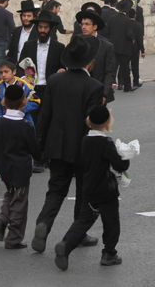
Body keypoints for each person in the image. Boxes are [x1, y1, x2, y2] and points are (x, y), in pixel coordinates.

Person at [31, 35, 104, 254]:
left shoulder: (55, 80)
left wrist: (39, 146)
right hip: (82, 148)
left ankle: (44, 222)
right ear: (89, 62)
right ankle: (77, 233)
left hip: (57, 145)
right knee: (83, 192)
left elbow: (44, 115)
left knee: (56, 190)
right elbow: (93, 123)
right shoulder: (94, 86)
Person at [53, 105, 130, 270]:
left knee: (84, 219)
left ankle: (66, 244)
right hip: (105, 188)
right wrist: (126, 156)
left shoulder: (85, 140)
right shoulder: (106, 143)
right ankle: (109, 253)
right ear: (107, 123)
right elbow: (119, 165)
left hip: (88, 186)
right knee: (111, 221)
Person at [0, 83, 40, 250]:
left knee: (10, 194)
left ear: (4, 101)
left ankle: (2, 218)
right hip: (21, 168)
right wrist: (42, 158)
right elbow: (34, 149)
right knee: (20, 202)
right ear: (24, 102)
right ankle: (14, 237)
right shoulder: (26, 125)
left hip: (4, 166)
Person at [76, 8, 116, 104]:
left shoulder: (106, 46)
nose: (83, 27)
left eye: (87, 24)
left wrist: (104, 94)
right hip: (80, 92)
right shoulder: (76, 42)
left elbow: (109, 72)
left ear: (94, 27)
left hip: (99, 92)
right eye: (82, 24)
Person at [107, 0, 135, 92]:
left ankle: (110, 85)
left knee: (112, 68)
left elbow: (108, 31)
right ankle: (127, 87)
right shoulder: (127, 20)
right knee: (125, 68)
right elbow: (129, 34)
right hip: (124, 48)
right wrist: (133, 39)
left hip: (113, 47)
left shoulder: (112, 18)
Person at [7, 0, 39, 74]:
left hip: (32, 72)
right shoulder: (16, 31)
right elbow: (11, 52)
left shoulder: (38, 32)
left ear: (34, 17)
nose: (26, 18)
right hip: (16, 71)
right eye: (24, 16)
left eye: (29, 16)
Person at [127, 9, 145, 89]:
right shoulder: (138, 25)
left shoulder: (125, 24)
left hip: (126, 48)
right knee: (135, 66)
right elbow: (140, 39)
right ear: (135, 15)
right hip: (135, 48)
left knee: (125, 66)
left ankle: (124, 83)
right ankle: (135, 82)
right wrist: (142, 50)